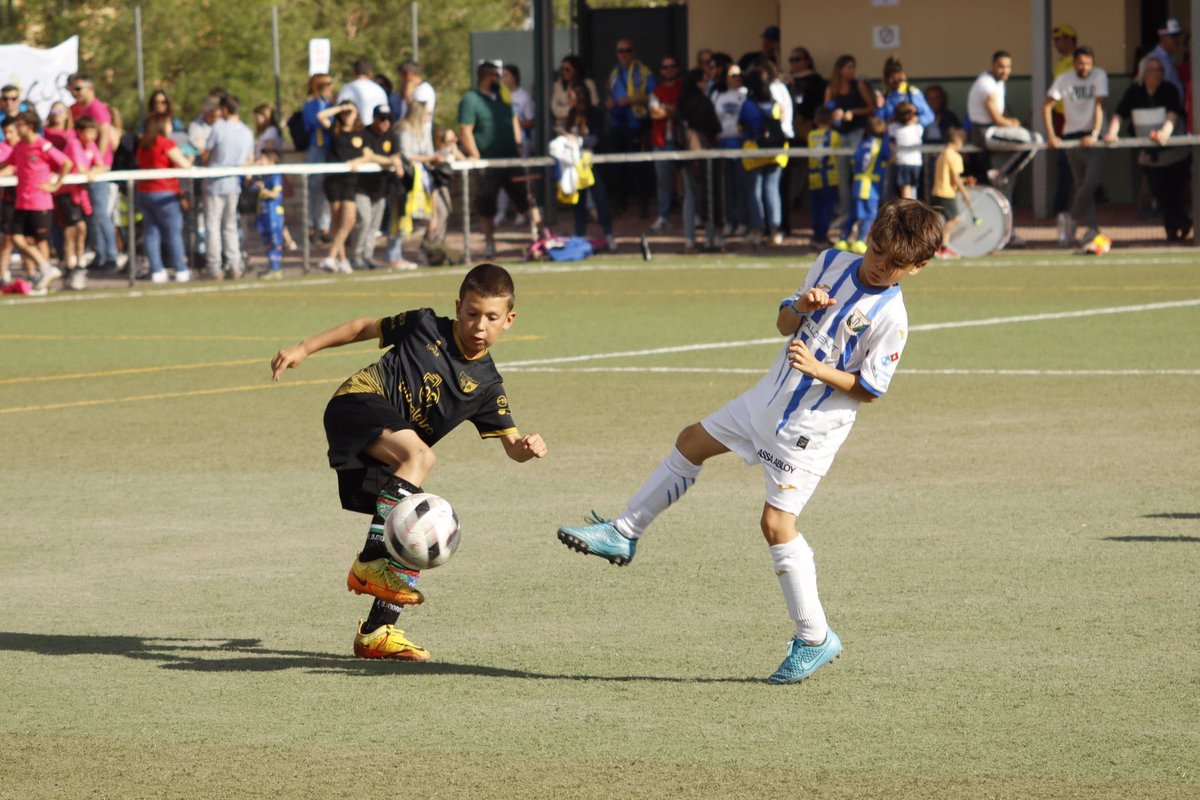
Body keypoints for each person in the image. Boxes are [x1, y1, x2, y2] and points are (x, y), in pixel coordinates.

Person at [556, 199, 943, 684]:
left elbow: (870, 390)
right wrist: (800, 306)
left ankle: (814, 636)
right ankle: (624, 532)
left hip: (807, 432)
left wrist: (821, 370)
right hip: (765, 400)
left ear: (918, 267)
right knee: (691, 440)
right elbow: (784, 322)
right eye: (875, 250)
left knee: (776, 524)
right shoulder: (829, 262)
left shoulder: (891, 317)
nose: (878, 264)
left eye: (892, 264)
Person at [269, 263, 548, 661]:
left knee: (418, 531)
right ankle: (368, 562)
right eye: (471, 313)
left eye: (491, 317)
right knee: (421, 456)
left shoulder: (488, 386)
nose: (478, 326)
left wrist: (527, 447)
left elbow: (512, 445)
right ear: (458, 307)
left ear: (509, 320)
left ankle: (377, 633)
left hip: (388, 453)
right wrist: (304, 348)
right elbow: (364, 326)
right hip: (356, 402)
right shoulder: (425, 325)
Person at [458, 60, 541, 260]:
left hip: (511, 159)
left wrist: (519, 143)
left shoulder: (503, 97)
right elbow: (465, 130)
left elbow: (513, 118)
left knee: (527, 200)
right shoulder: (471, 99)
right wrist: (475, 155)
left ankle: (539, 239)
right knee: (486, 205)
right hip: (489, 163)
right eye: (497, 76)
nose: (500, 80)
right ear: (487, 77)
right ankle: (489, 245)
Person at [1104, 56, 1191, 242]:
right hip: (1149, 155)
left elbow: (1173, 115)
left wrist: (1164, 133)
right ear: (1144, 73)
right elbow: (1119, 115)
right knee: (1160, 191)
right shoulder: (1134, 92)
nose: (1157, 73)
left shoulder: (1169, 89)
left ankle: (1173, 230)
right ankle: (1181, 223)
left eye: (1160, 69)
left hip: (1174, 154)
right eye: (1153, 70)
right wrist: (1112, 133)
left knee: (1176, 192)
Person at [0, 110, 73, 293]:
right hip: (22, 201)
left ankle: (44, 279)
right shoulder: (19, 147)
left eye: (20, 125)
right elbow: (7, 163)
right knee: (16, 237)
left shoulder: (42, 145)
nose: (17, 128)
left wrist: (55, 186)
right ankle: (45, 268)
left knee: (41, 241)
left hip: (40, 201)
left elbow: (66, 163)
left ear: (30, 126)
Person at [1043, 45, 1108, 246]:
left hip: (1093, 138)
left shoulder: (1099, 76)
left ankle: (1069, 220)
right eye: (1080, 63)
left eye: (1088, 63)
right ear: (1074, 63)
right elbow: (1047, 105)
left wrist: (1095, 134)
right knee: (1081, 186)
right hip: (1071, 137)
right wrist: (1052, 135)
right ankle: (1092, 228)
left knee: (1091, 182)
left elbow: (1099, 105)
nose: (1084, 67)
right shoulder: (1064, 79)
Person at [68, 74, 120, 272]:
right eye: (71, 89)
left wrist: (98, 161)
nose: (74, 93)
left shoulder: (97, 108)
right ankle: (100, 253)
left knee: (100, 212)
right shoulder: (79, 109)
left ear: (90, 88)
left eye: (78, 88)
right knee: (92, 214)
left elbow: (105, 134)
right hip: (86, 169)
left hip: (97, 169)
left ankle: (111, 256)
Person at [135, 112, 194, 284]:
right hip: (164, 192)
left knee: (151, 232)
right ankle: (181, 269)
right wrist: (189, 157)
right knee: (173, 232)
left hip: (145, 192)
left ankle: (157, 270)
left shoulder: (143, 145)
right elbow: (185, 164)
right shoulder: (165, 143)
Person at [201, 94, 254, 279]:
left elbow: (206, 156)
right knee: (230, 226)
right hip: (233, 184)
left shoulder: (218, 128)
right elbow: (249, 160)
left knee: (213, 226)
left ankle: (214, 267)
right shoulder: (247, 131)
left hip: (215, 183)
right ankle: (235, 265)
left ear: (224, 110)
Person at [318, 101, 372, 272]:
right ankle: (342, 260)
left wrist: (358, 161)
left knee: (349, 220)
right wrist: (341, 108)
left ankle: (331, 256)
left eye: (351, 112)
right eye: (345, 113)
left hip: (350, 181)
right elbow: (320, 116)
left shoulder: (361, 132)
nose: (348, 116)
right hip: (333, 180)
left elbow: (368, 155)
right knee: (336, 221)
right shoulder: (335, 129)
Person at [823, 55, 874, 234]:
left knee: (858, 174)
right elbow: (825, 113)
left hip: (857, 133)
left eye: (853, 67)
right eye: (849, 67)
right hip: (839, 135)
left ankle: (861, 215)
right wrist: (834, 115)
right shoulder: (831, 89)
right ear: (840, 70)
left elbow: (871, 108)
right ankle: (846, 212)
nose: (852, 71)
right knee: (842, 175)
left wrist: (852, 112)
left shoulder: (859, 86)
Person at [738, 67, 787, 248]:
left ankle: (757, 230)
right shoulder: (775, 104)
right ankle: (775, 232)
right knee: (772, 191)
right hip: (775, 154)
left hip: (754, 153)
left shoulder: (748, 105)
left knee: (755, 193)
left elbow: (741, 127)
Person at [605, 39, 655, 216]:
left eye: (627, 50)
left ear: (633, 52)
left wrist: (631, 100)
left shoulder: (643, 72)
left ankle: (643, 205)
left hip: (636, 123)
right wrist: (610, 103)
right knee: (618, 166)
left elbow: (653, 96)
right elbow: (609, 96)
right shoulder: (614, 73)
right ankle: (620, 203)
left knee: (638, 166)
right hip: (618, 123)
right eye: (620, 51)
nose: (624, 54)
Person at [675, 68, 722, 253]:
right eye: (703, 80)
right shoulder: (704, 102)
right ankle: (710, 239)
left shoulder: (681, 103)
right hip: (704, 157)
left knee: (690, 196)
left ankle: (690, 241)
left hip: (686, 156)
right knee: (707, 197)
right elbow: (716, 131)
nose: (706, 84)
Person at [563, 82, 615, 247]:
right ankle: (580, 235)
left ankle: (608, 234)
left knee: (600, 199)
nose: (568, 100)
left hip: (594, 164)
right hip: (577, 165)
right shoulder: (571, 114)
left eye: (570, 96)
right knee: (579, 201)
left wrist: (578, 140)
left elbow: (597, 138)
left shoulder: (596, 114)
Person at [57, 116, 106, 290]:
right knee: (73, 229)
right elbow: (79, 166)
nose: (92, 136)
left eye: (94, 132)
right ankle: (70, 265)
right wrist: (89, 171)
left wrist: (94, 170)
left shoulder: (91, 145)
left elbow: (102, 164)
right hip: (67, 193)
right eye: (89, 132)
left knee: (80, 229)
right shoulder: (73, 144)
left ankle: (79, 264)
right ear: (79, 131)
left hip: (80, 193)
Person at [351, 105, 402, 270]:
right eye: (382, 119)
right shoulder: (363, 134)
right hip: (362, 187)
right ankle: (356, 256)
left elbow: (396, 155)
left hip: (381, 188)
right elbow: (369, 156)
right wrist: (389, 161)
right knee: (364, 220)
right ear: (374, 118)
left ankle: (368, 255)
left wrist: (389, 160)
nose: (385, 123)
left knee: (374, 225)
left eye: (388, 119)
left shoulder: (391, 135)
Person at [835, 116, 888, 253]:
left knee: (854, 214)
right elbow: (888, 156)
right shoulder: (881, 144)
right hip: (870, 184)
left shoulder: (863, 143)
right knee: (869, 214)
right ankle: (860, 240)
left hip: (857, 182)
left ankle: (843, 239)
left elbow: (854, 160)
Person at [494, 64, 534, 228]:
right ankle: (501, 212)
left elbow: (531, 121)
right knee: (502, 179)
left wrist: (514, 124)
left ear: (515, 77)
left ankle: (521, 212)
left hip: (521, 143)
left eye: (507, 75)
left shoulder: (523, 96)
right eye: (501, 76)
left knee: (520, 179)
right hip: (503, 143)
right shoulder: (499, 96)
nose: (503, 79)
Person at [711, 58, 748, 237]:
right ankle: (728, 222)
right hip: (724, 145)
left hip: (741, 146)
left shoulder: (747, 94)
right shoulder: (719, 95)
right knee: (727, 187)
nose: (736, 78)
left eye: (739, 75)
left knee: (742, 185)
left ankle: (742, 221)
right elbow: (711, 117)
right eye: (732, 75)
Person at [929, 127, 978, 258]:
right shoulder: (954, 156)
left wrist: (965, 180)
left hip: (937, 191)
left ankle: (941, 247)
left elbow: (951, 176)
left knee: (942, 221)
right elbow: (955, 178)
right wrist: (965, 193)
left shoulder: (943, 154)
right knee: (955, 219)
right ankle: (941, 247)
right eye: (962, 142)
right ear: (957, 141)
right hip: (946, 193)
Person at [648, 54, 683, 232]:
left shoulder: (683, 87)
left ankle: (691, 215)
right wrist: (671, 109)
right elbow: (654, 113)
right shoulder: (656, 91)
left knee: (685, 179)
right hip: (661, 141)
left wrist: (666, 109)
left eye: (672, 66)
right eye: (665, 67)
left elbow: (682, 110)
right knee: (663, 181)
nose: (668, 70)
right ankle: (664, 216)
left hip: (681, 140)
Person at [1050, 24, 1079, 224]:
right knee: (1065, 163)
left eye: (1059, 39)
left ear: (1069, 39)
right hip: (1060, 117)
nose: (1056, 44)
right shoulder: (1062, 63)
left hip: (1072, 119)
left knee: (1071, 162)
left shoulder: (1076, 62)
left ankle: (1067, 207)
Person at [246, 147, 286, 279]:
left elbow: (275, 194)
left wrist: (263, 190)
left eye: (262, 159)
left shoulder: (275, 175)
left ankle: (276, 268)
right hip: (262, 213)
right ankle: (272, 267)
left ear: (271, 161)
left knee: (275, 241)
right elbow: (250, 187)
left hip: (273, 214)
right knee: (267, 241)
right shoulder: (261, 176)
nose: (259, 161)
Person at [806, 106, 841, 246]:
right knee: (826, 209)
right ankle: (822, 236)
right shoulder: (835, 136)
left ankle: (817, 236)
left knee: (816, 208)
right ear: (832, 120)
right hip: (830, 177)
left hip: (814, 178)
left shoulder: (811, 135)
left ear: (815, 120)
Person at [550, 55, 599, 131]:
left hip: (583, 126)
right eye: (562, 69)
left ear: (576, 70)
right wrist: (572, 110)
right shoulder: (558, 86)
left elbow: (594, 103)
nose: (564, 72)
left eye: (567, 70)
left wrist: (574, 111)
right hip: (562, 128)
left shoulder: (588, 84)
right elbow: (555, 109)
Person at [1139, 19, 1186, 98]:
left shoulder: (1170, 57)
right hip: (1161, 107)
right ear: (1162, 37)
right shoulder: (1152, 59)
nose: (1177, 40)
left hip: (1174, 107)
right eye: (1173, 36)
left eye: (1178, 36)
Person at [338, 57, 389, 126]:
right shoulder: (379, 90)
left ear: (353, 72)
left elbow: (340, 109)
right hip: (376, 131)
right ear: (370, 73)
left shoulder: (348, 88)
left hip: (355, 131)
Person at [888, 102, 923, 200]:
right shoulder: (918, 127)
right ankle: (912, 210)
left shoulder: (893, 127)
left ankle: (909, 212)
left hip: (902, 162)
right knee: (913, 190)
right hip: (916, 162)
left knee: (905, 191)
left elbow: (891, 144)